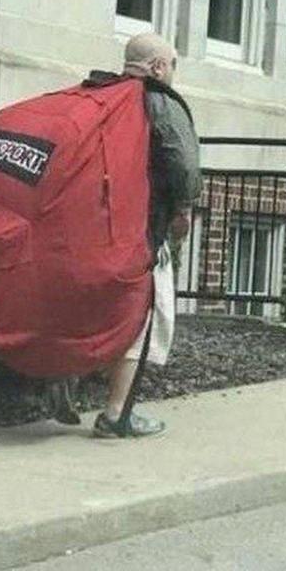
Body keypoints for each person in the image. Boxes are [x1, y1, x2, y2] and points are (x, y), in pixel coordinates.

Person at [48, 33, 202, 438]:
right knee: (141, 317)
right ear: (157, 67)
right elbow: (183, 165)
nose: (172, 72)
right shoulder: (161, 102)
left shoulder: (102, 95)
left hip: (90, 228)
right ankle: (117, 415)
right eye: (172, 64)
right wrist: (183, 211)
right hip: (140, 233)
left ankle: (65, 374)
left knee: (95, 310)